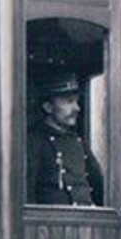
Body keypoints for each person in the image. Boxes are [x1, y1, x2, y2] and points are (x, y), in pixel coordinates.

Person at [27, 70, 105, 205]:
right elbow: (27, 194)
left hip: (86, 221)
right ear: (48, 107)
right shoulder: (34, 142)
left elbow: (99, 188)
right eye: (68, 102)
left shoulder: (78, 142)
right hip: (50, 223)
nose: (77, 108)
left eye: (76, 101)